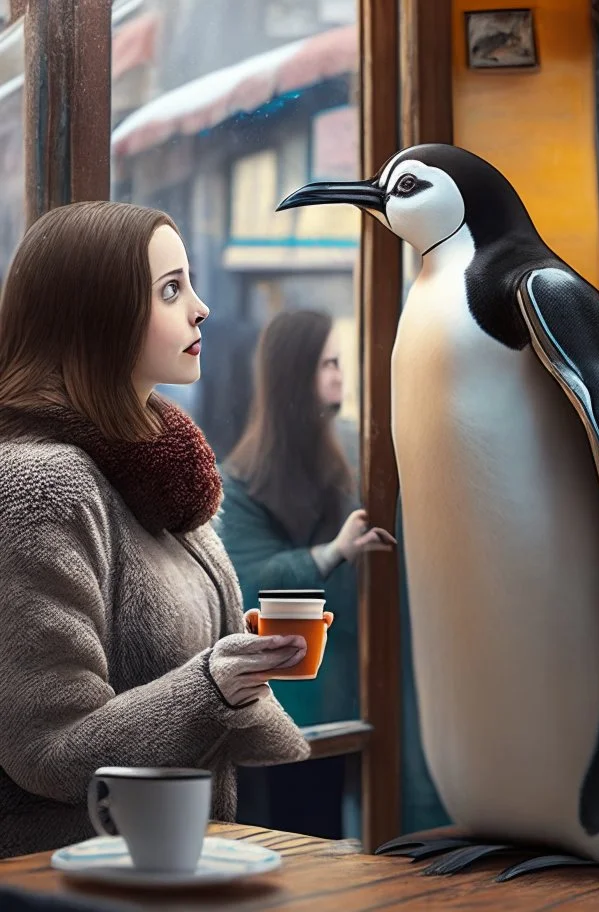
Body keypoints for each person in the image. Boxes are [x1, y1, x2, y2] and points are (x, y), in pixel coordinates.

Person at [0, 201, 311, 860]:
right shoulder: (42, 486)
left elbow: (209, 678)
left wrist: (241, 673)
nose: (200, 308)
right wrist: (215, 685)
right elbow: (48, 747)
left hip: (168, 866)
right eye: (171, 289)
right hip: (63, 884)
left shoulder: (155, 475)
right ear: (96, 315)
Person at [218, 309, 395, 838]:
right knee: (280, 839)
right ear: (295, 374)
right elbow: (248, 581)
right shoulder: (242, 479)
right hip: (278, 701)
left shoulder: (353, 458)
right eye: (328, 364)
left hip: (349, 692)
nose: (340, 375)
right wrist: (330, 553)